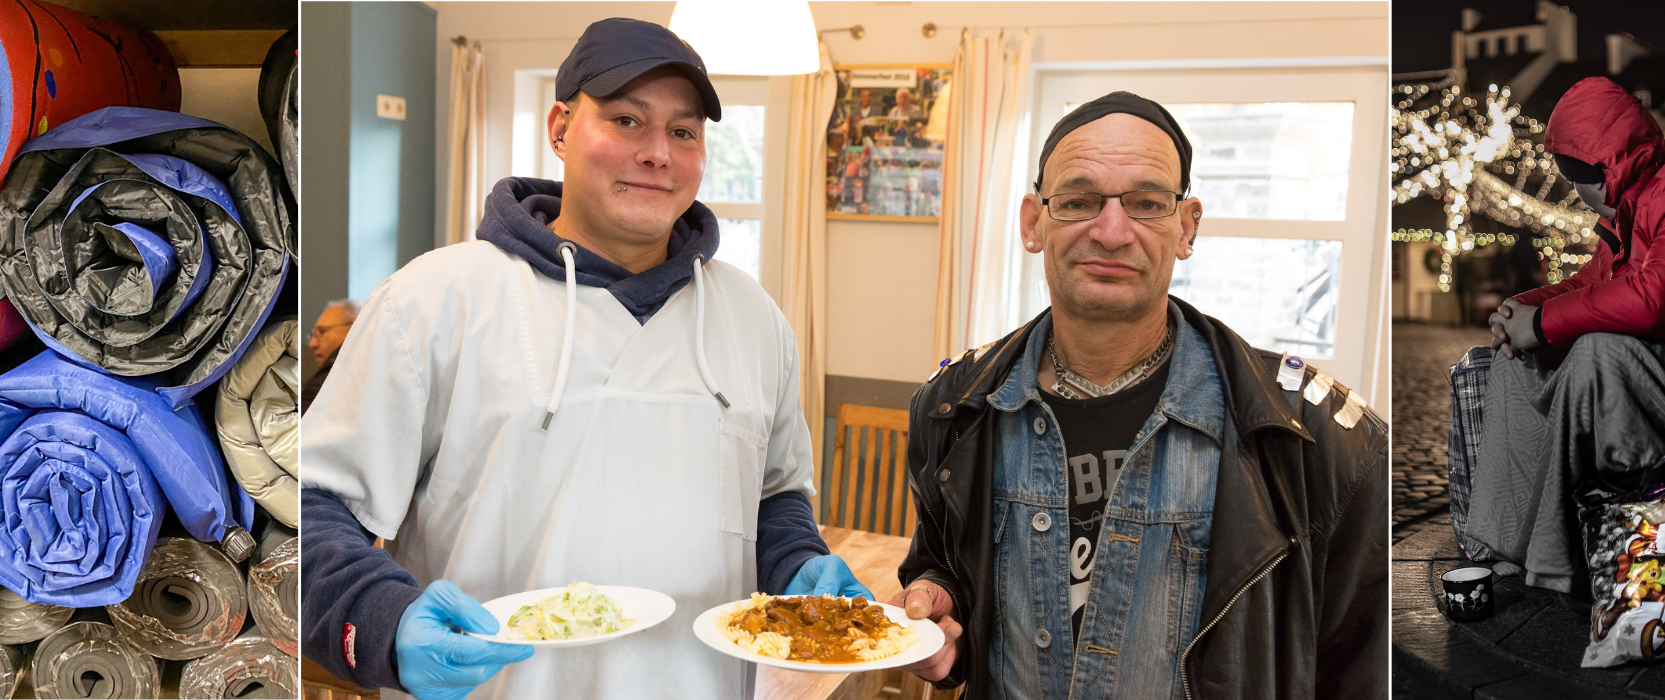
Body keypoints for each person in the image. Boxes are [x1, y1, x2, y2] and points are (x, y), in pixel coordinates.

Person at [299, 18, 872, 700]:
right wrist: (382, 619)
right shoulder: (433, 299)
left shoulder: (754, 321)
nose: (658, 152)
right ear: (560, 128)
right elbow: (312, 504)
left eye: (683, 131)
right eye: (627, 120)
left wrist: (796, 560)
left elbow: (775, 497)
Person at [888, 91, 1389, 699]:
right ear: (1032, 222)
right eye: (1078, 200)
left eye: (1147, 204)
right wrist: (942, 603)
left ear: (1186, 227)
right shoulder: (953, 411)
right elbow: (944, 565)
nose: (1112, 230)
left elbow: (1363, 670)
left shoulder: (1322, 442)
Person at [1465, 76, 1665, 595]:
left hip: (1644, 369)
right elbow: (1591, 283)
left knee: (1595, 353)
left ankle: (1555, 561)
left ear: (1606, 168)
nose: (1576, 190)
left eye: (1579, 176)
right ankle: (1509, 542)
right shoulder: (1630, 206)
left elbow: (1651, 296)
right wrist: (1524, 310)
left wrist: (1543, 323)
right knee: (1512, 361)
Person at [301, 298, 359, 413]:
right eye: (314, 335)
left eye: (322, 332)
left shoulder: (323, 386)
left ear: (354, 327)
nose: (313, 344)